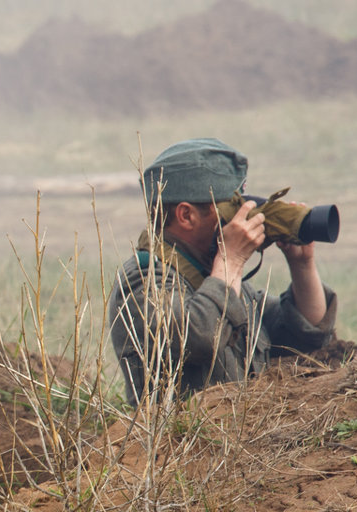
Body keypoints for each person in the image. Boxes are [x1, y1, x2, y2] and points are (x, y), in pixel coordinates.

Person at [107, 138, 338, 406]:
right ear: (186, 216)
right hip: (180, 445)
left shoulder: (214, 273)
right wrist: (232, 260)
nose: (239, 222)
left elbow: (306, 333)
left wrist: (302, 265)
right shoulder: (143, 282)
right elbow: (200, 336)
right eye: (231, 210)